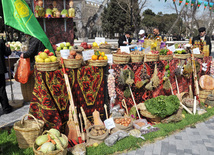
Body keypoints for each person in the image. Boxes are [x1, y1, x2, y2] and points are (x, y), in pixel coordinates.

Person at [0, 38, 13, 114]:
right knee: (1, 89)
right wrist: (8, 47)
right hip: (0, 69)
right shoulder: (0, 41)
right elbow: (7, 53)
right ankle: (6, 108)